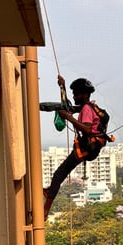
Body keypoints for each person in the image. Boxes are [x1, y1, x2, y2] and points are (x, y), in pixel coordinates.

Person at [43, 75, 106, 220]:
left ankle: (46, 209)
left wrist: (69, 118)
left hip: (86, 147)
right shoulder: (90, 106)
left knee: (59, 174)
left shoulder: (86, 110)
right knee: (59, 174)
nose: (74, 96)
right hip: (91, 147)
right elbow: (68, 107)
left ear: (84, 94)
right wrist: (62, 87)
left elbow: (88, 130)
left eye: (76, 93)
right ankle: (49, 191)